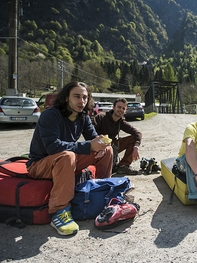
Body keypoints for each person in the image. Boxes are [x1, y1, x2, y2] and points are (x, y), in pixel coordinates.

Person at [26, 81, 113, 236]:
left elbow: (93, 138)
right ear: (66, 98)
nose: (82, 101)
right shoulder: (50, 115)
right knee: (67, 156)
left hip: (66, 161)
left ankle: (102, 193)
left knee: (107, 149)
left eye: (85, 97)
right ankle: (59, 211)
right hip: (40, 164)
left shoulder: (83, 116)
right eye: (77, 96)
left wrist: (100, 144)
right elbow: (52, 147)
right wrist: (89, 146)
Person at [92, 98, 142, 175]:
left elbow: (138, 133)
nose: (121, 110)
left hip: (112, 145)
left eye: (123, 108)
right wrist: (100, 145)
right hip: (98, 146)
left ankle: (123, 166)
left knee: (133, 139)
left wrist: (136, 147)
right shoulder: (101, 117)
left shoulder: (121, 122)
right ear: (113, 107)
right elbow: (90, 133)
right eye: (119, 107)